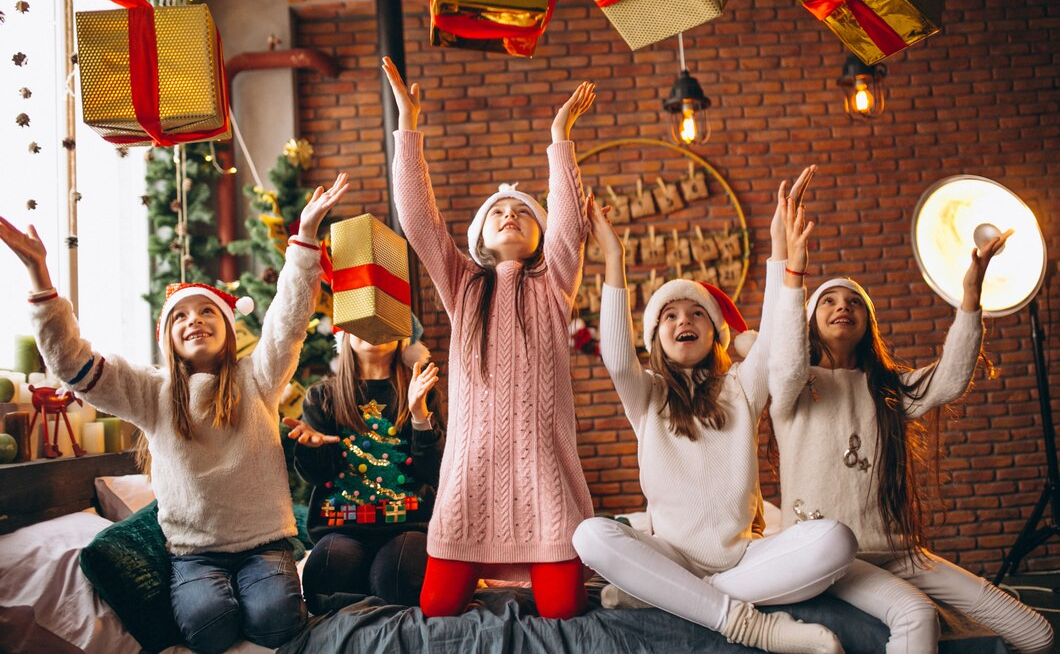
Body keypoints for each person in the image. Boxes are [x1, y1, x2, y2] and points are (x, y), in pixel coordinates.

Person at [0, 176, 348, 654]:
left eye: (207, 312)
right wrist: (40, 274)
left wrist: (306, 237)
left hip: (264, 542)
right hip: (193, 555)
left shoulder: (258, 377)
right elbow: (71, 364)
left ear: (227, 329)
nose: (195, 320)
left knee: (276, 622)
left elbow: (287, 321)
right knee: (209, 627)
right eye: (181, 316)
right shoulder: (150, 391)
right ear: (168, 337)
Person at [572, 171, 856, 654]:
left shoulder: (743, 387)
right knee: (590, 535)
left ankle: (669, 600)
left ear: (715, 333)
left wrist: (783, 260)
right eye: (670, 315)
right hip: (670, 556)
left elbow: (776, 340)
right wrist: (614, 256)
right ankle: (749, 625)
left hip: (746, 560)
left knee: (837, 541)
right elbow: (617, 356)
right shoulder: (648, 396)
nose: (684, 319)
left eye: (697, 313)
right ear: (656, 337)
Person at [767, 226, 1054, 654]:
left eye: (853, 303)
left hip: (901, 552)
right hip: (834, 557)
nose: (841, 307)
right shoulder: (791, 387)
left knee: (1039, 634)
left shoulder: (886, 388)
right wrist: (795, 272)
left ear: (868, 323)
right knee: (916, 614)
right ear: (807, 320)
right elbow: (786, 362)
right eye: (828, 300)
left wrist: (971, 294)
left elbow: (950, 379)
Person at [382, 57, 595, 619]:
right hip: (468, 482)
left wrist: (559, 139)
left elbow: (571, 222)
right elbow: (420, 220)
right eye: (498, 211)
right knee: (436, 608)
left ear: (540, 234)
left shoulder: (553, 287)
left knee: (563, 615)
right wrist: (408, 127)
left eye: (522, 213)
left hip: (545, 481)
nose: (509, 216)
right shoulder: (463, 288)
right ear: (479, 235)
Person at [290, 320, 445, 612]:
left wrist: (419, 416)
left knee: (399, 580)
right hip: (342, 529)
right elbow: (318, 476)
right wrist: (311, 448)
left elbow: (435, 472)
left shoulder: (423, 391)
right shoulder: (323, 397)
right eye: (363, 322)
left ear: (404, 338)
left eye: (385, 321)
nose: (373, 329)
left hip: (408, 528)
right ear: (345, 335)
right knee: (324, 577)